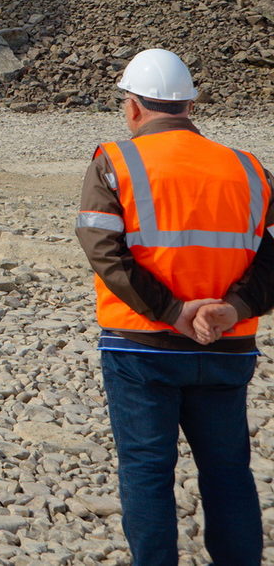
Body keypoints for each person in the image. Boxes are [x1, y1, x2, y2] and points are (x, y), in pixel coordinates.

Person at [76, 47, 274, 566]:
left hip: (141, 348)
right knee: (229, 469)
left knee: (146, 468)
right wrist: (231, 308)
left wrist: (174, 313)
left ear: (135, 108)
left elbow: (104, 251)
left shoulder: (115, 161)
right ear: (188, 105)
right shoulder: (249, 168)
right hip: (227, 346)